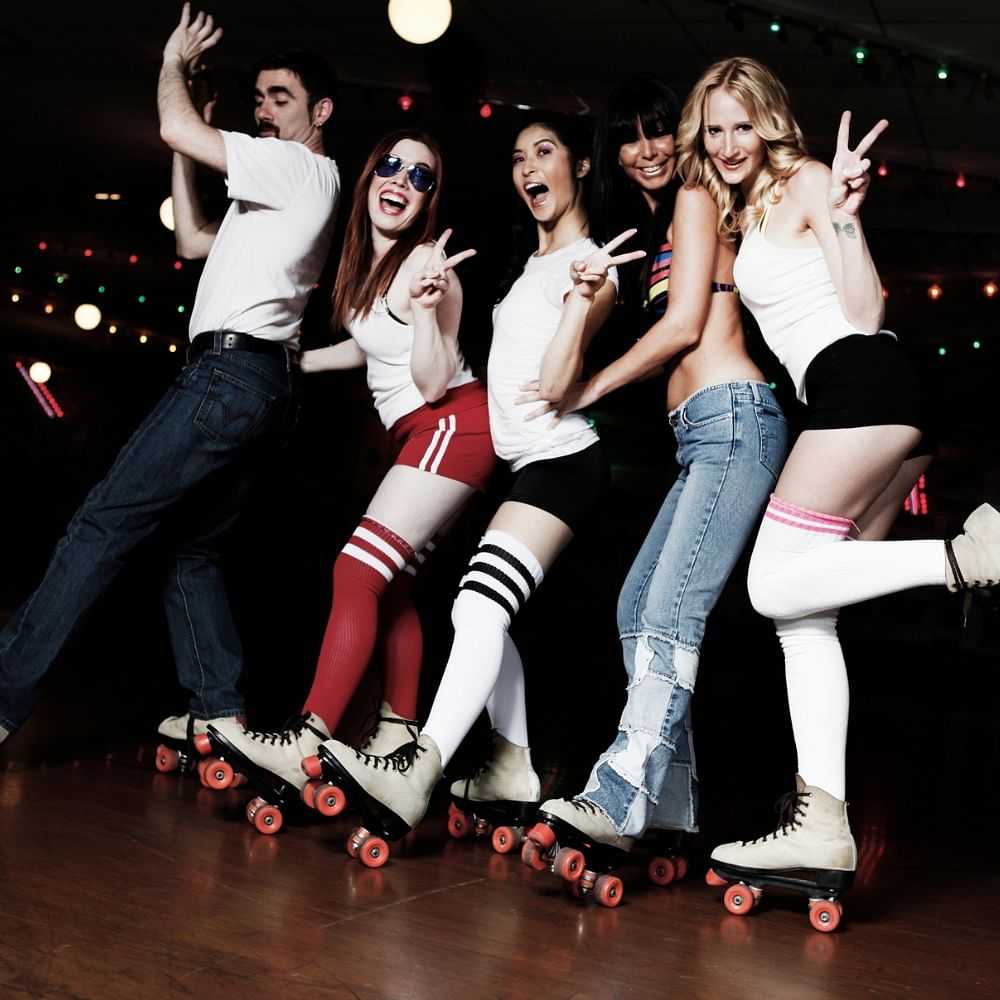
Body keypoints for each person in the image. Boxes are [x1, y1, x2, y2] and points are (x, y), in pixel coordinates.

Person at [675, 57, 999, 924]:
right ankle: (822, 822)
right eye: (715, 129)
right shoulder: (741, 213)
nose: (730, 143)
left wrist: (847, 221)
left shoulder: (811, 180)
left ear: (771, 122)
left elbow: (863, 309)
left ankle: (962, 559)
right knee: (805, 613)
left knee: (768, 582)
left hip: (861, 381)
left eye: (744, 124)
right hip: (873, 402)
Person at [0, 4, 340, 757]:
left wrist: (171, 66)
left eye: (280, 98)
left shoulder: (300, 166)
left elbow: (175, 128)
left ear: (321, 111)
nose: (263, 111)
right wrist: (197, 149)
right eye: (257, 100)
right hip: (261, 390)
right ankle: (219, 711)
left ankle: (3, 692)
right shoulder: (278, 194)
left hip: (228, 376)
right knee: (192, 550)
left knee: (101, 524)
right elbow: (190, 238)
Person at [310, 115, 644, 858]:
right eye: (519, 156)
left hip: (564, 461)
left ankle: (417, 769)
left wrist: (582, 300)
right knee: (481, 612)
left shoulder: (593, 262)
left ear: (579, 168)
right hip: (527, 467)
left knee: (475, 605)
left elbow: (557, 384)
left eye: (546, 151)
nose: (530, 167)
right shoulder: (534, 263)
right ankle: (513, 767)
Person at [518, 75, 787, 869]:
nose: (647, 149)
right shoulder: (666, 222)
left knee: (669, 612)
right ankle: (671, 803)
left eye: (660, 130)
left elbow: (683, 327)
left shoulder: (697, 198)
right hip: (701, 434)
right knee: (638, 606)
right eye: (629, 137)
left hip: (735, 418)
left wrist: (588, 390)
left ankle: (621, 790)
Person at [202, 130, 494, 801]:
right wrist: (297, 361)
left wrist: (425, 311)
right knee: (388, 586)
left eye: (419, 176)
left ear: (427, 201)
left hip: (451, 424)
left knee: (355, 570)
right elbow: (371, 350)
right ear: (368, 179)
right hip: (427, 434)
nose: (400, 180)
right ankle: (395, 733)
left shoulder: (426, 266)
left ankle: (310, 734)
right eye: (390, 165)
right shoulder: (370, 264)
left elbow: (430, 379)